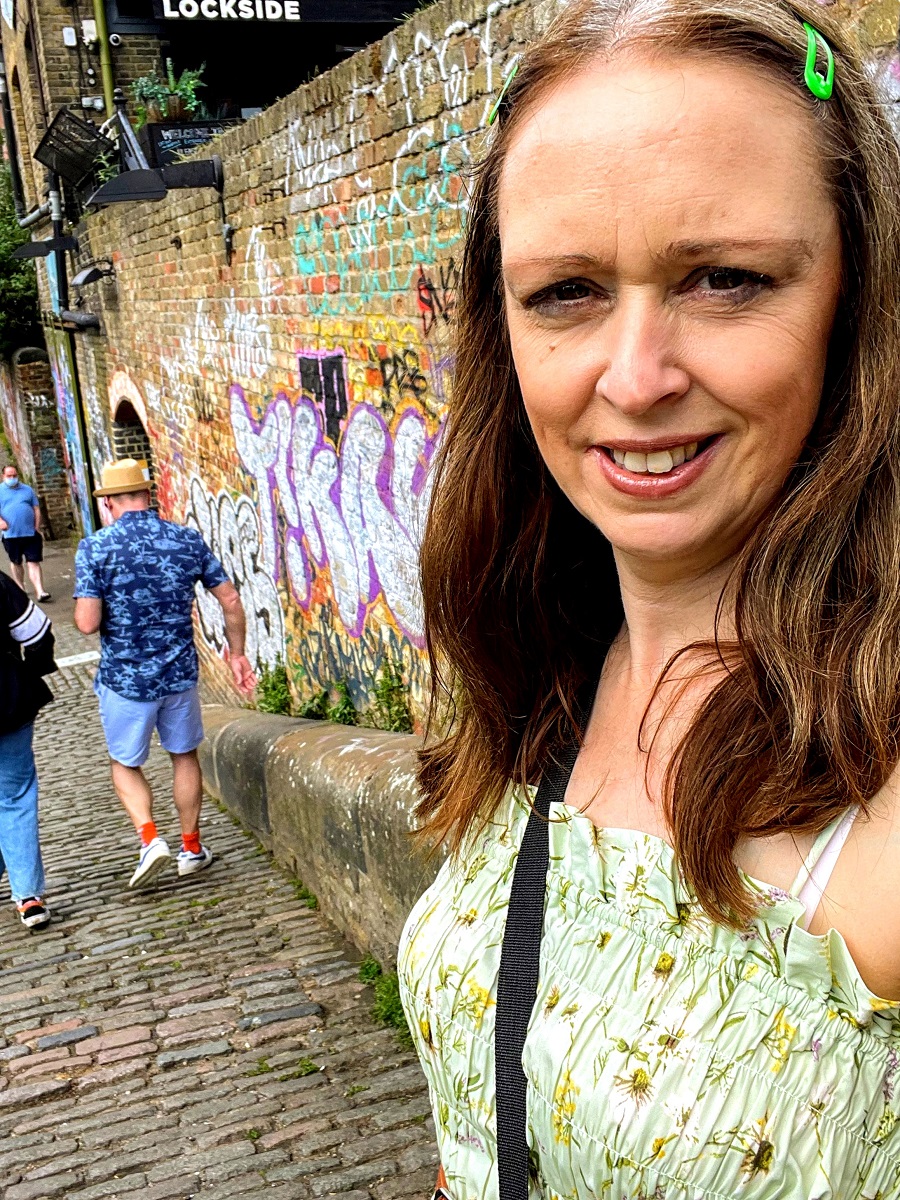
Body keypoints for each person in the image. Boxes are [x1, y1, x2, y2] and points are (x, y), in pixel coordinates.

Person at [398, 0, 900, 1196]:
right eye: (565, 293)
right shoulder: (534, 680)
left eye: (726, 278)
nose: (635, 378)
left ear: (859, 298)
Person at [73, 459, 257, 889]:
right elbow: (230, 600)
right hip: (178, 675)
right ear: (146, 496)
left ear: (110, 503)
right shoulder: (185, 540)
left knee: (124, 763)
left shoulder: (96, 548)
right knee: (183, 756)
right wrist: (237, 654)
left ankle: (150, 838)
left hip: (125, 680)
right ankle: (191, 847)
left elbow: (85, 622)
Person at [0, 574, 56, 928]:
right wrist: (29, 673)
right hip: (5, 700)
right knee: (15, 796)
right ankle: (28, 896)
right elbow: (37, 635)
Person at [0, 465, 51, 603]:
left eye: (14, 475)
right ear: (3, 476)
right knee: (16, 562)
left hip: (30, 533)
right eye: (9, 476)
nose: (12, 478)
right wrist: (1, 522)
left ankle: (40, 591)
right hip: (11, 535)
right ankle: (20, 588)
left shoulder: (27, 490)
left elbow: (36, 508)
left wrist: (36, 526)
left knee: (33, 561)